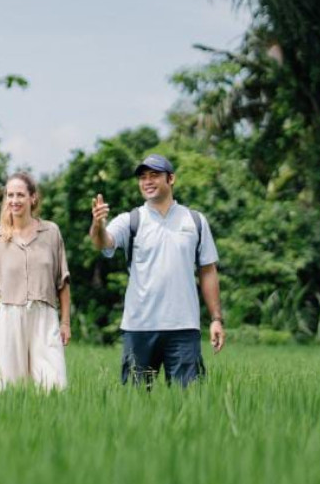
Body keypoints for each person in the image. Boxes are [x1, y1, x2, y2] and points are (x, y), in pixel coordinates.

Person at [89, 154, 224, 387]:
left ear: (171, 179)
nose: (147, 181)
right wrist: (97, 224)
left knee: (189, 401)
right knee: (135, 402)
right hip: (139, 327)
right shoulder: (131, 220)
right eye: (142, 177)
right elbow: (103, 242)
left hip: (184, 327)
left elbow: (208, 271)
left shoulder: (195, 221)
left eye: (154, 175)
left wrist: (216, 319)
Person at [0, 172, 71, 391]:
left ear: (33, 198)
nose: (14, 200)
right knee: (12, 389)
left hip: (45, 316)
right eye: (9, 195)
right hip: (9, 316)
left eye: (20, 195)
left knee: (55, 386)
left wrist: (65, 322)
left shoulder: (51, 232)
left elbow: (63, 283)